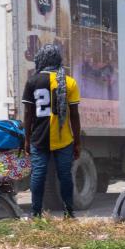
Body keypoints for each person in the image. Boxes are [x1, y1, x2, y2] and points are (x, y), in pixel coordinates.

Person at [23, 44, 81, 218]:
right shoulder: (69, 82)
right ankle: (69, 213)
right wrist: (77, 141)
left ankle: (36, 213)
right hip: (64, 138)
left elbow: (28, 114)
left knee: (38, 175)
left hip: (39, 138)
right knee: (65, 176)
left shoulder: (32, 81)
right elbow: (74, 115)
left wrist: (26, 139)